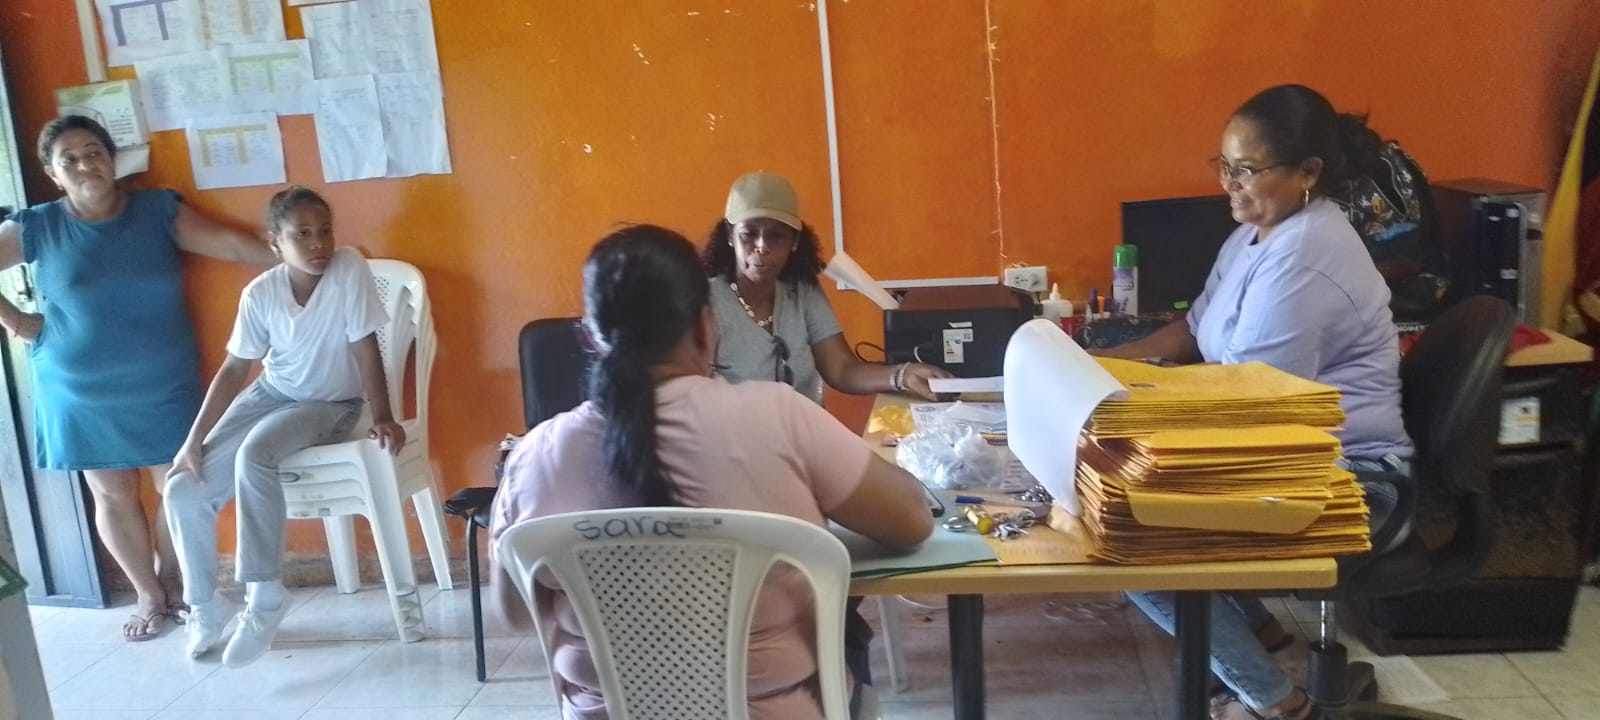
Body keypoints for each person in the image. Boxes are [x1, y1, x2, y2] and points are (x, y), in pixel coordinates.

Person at [490, 224, 934, 719]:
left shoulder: (534, 457)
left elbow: (515, 613)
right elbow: (912, 522)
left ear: (589, 336)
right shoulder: (780, 416)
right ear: (707, 327)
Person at [1096, 85, 1414, 720]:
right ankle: (1265, 640)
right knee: (1132, 493)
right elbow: (1193, 331)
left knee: (1131, 536)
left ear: (1308, 173)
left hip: (1352, 480)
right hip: (1291, 453)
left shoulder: (1306, 256)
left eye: (1246, 170)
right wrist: (1102, 365)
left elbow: (1248, 405)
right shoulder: (1256, 234)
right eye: (1223, 165)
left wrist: (1133, 411)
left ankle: (1278, 703)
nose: (1229, 185)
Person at [0, 115, 277, 641]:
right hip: (78, 387)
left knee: (178, 485)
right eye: (69, 159)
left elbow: (233, 246)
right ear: (53, 173)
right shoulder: (38, 225)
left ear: (112, 159)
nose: (85, 164)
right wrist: (15, 321)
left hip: (164, 381)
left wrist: (308, 258)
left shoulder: (157, 211)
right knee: (111, 494)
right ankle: (148, 595)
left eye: (94, 152)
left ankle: (176, 584)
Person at [163, 186, 404, 667]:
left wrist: (382, 415)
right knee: (182, 487)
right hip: (271, 395)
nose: (319, 244)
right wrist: (193, 441)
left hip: (331, 404)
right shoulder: (259, 293)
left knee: (256, 454)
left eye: (325, 231)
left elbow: (365, 348)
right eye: (302, 235)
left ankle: (265, 595)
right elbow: (235, 369)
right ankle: (205, 605)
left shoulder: (349, 268)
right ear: (275, 243)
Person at [703, 171, 950, 405]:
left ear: (794, 241)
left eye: (777, 236)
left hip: (805, 431)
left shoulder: (802, 291)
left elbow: (842, 370)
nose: (762, 246)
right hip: (739, 435)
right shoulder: (705, 302)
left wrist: (903, 375)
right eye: (748, 234)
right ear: (730, 235)